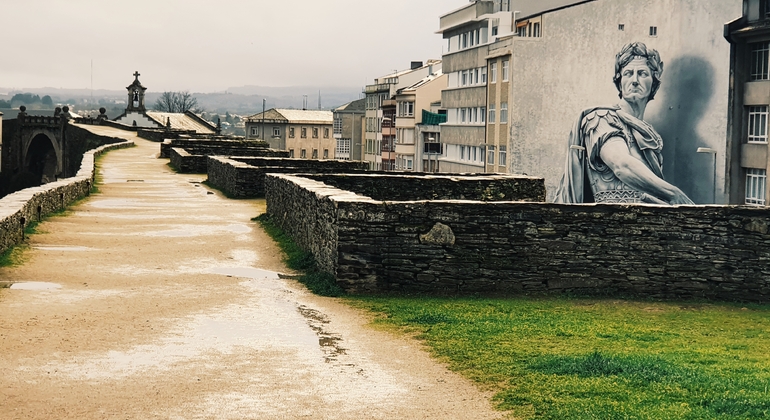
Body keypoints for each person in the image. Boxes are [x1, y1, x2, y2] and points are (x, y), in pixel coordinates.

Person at [554, 42, 693, 205]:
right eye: (628, 73)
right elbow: (622, 165)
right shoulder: (601, 118)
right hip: (608, 223)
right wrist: (673, 193)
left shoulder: (649, 134)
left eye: (642, 73)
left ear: (653, 83)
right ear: (620, 81)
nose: (634, 80)